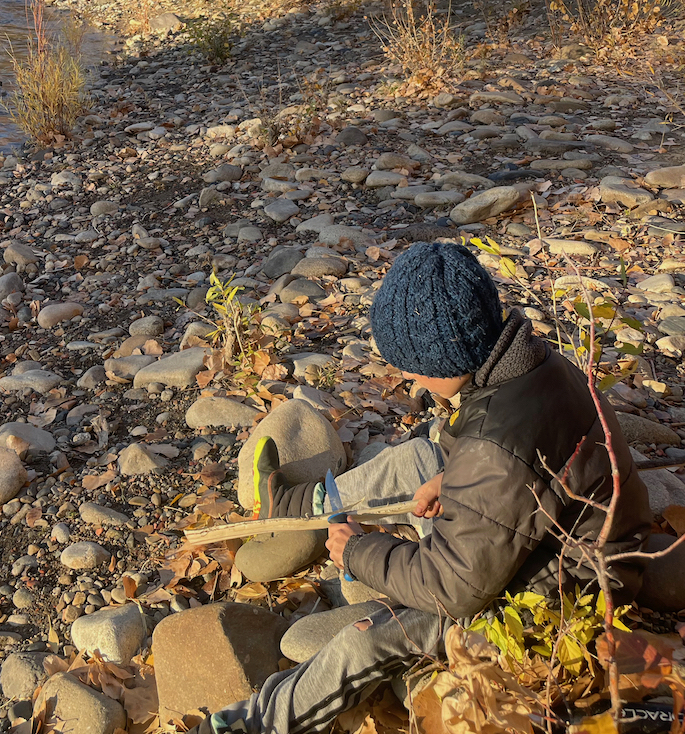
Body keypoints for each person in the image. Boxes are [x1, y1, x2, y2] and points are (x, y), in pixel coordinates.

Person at [194, 241, 653, 734]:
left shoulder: (494, 452)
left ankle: (252, 723)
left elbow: (454, 588)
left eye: (412, 366)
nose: (407, 378)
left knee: (365, 639)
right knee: (417, 457)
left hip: (560, 592)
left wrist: (360, 551)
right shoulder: (531, 362)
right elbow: (504, 456)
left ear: (448, 355)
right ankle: (290, 505)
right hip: (537, 531)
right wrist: (450, 475)